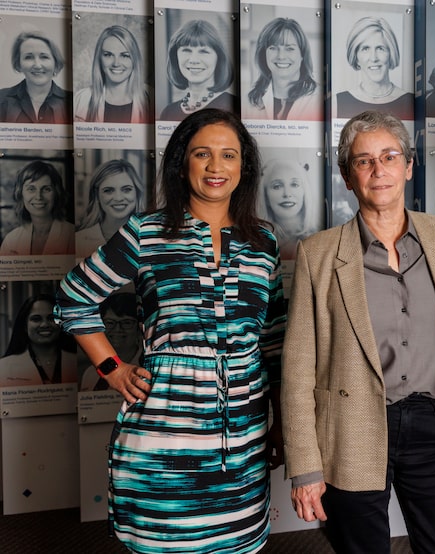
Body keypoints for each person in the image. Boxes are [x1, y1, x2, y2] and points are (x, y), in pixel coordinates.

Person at [54, 108, 286, 553]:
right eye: (203, 154)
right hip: (163, 434)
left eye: (229, 155)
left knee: (237, 542)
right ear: (183, 163)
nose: (216, 167)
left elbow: (273, 342)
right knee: (166, 543)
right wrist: (113, 369)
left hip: (242, 434)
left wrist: (279, 424)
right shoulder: (147, 232)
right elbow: (72, 298)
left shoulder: (265, 242)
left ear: (244, 167)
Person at [282, 110, 435, 554]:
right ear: (347, 176)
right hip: (353, 428)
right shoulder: (318, 255)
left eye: (390, 156)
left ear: (409, 166)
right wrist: (305, 469)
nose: (379, 171)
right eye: (363, 161)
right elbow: (297, 371)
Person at [336, 17, 414, 120]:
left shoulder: (412, 102)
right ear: (356, 56)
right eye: (365, 49)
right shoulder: (336, 103)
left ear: (391, 53)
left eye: (380, 49)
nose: (373, 58)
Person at [159, 20, 237, 121]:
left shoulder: (234, 107)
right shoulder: (168, 113)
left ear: (219, 58)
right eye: (186, 50)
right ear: (175, 57)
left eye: (204, 51)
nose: (194, 60)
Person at [246, 17, 322, 120]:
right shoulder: (249, 101)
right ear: (264, 54)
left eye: (290, 48)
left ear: (302, 55)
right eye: (273, 48)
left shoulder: (321, 99)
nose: (281, 56)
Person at [74, 25, 152, 123]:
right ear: (99, 59)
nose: (116, 63)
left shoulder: (151, 98)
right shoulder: (81, 99)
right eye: (108, 55)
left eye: (124, 55)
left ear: (134, 60)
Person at [0, 293, 76, 387]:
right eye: (36, 319)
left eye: (51, 318)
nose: (44, 325)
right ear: (25, 326)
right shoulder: (4, 367)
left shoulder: (76, 363)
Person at [0, 160, 74, 256]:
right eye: (31, 189)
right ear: (20, 194)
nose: (38, 197)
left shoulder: (73, 236)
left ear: (57, 193)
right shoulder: (11, 240)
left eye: (46, 189)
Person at [75, 159, 145, 258]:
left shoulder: (151, 238)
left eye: (126, 190)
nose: (118, 198)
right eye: (108, 191)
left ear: (137, 194)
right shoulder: (79, 240)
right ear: (97, 196)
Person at [0, 30, 71, 124]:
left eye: (44, 57)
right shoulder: (1, 99)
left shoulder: (71, 101)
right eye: (28, 57)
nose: (37, 65)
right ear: (18, 64)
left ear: (56, 62)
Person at [77, 292, 142, 392]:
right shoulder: (90, 373)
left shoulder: (147, 368)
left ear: (139, 327)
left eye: (127, 322)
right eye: (109, 322)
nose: (117, 329)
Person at [259, 156, 318, 259]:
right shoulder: (255, 242)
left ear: (304, 192)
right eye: (277, 186)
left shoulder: (320, 240)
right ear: (266, 196)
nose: (287, 194)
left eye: (294, 184)